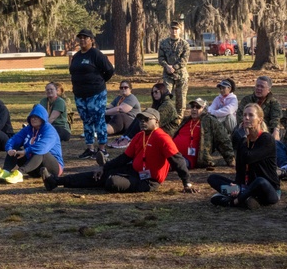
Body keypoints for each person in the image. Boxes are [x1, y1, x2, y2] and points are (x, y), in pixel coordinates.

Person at [43, 108, 193, 194]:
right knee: (98, 174)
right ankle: (56, 181)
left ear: (157, 121)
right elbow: (124, 157)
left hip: (148, 181)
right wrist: (104, 167)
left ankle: (105, 177)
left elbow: (177, 160)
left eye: (147, 120)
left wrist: (186, 183)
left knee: (112, 182)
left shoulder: (163, 138)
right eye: (140, 119)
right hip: (133, 171)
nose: (142, 122)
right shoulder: (139, 136)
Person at [207, 103, 281, 209]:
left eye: (250, 115)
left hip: (267, 190)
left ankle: (234, 202)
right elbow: (240, 168)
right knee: (212, 179)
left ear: (260, 119)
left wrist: (243, 138)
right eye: (244, 115)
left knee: (260, 181)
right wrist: (237, 185)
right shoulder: (243, 140)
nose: (246, 118)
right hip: (245, 188)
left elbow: (248, 158)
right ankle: (244, 198)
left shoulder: (266, 139)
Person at [69, 28, 115, 159]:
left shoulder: (96, 54)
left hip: (96, 94)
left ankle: (102, 149)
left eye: (85, 38)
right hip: (79, 94)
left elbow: (109, 70)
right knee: (86, 121)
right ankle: (90, 148)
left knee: (98, 120)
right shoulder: (77, 56)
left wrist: (99, 82)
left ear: (92, 40)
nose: (82, 40)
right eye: (80, 38)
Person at [0, 104, 65, 184]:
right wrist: (9, 149)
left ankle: (19, 173)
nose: (33, 119)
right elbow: (14, 139)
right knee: (15, 149)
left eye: (36, 117)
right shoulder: (28, 129)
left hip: (52, 167)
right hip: (33, 168)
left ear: (42, 118)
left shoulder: (49, 130)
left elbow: (42, 147)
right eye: (31, 117)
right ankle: (6, 171)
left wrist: (25, 151)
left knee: (41, 152)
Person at [172, 98, 235, 169]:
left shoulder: (210, 121)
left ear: (204, 109)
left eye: (198, 107)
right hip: (173, 154)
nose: (194, 109)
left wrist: (231, 159)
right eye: (192, 106)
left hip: (188, 159)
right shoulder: (186, 120)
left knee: (169, 163)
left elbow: (223, 140)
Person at [111, 82, 179, 148]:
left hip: (168, 133)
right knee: (140, 117)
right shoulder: (160, 103)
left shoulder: (167, 105)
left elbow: (157, 122)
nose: (154, 94)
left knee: (143, 119)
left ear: (162, 91)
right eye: (153, 93)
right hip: (160, 130)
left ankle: (128, 139)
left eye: (156, 92)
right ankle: (125, 137)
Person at [232, 76, 282, 149]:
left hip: (266, 129)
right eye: (257, 86)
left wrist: (276, 131)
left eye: (262, 87)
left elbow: (276, 118)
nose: (258, 89)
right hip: (247, 126)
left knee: (275, 139)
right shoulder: (247, 100)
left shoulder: (274, 103)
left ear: (268, 90)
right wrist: (245, 125)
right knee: (238, 133)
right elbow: (240, 115)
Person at [158, 21, 189, 112]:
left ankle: (179, 119)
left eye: (176, 29)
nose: (174, 31)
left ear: (180, 30)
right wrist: (166, 66)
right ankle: (167, 116)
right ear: (169, 30)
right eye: (172, 29)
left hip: (181, 75)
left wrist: (174, 67)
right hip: (168, 74)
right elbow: (160, 58)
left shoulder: (184, 44)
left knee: (181, 98)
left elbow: (184, 60)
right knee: (166, 96)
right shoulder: (163, 43)